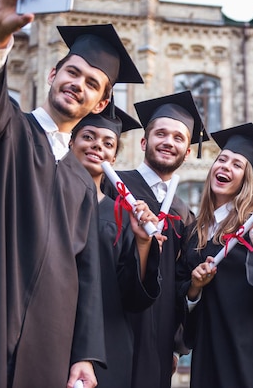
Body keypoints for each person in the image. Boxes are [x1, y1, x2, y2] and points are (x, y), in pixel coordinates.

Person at [0, 0, 144, 388]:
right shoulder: (7, 132)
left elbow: (87, 275)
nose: (76, 84)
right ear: (52, 73)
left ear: (100, 103)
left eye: (90, 83)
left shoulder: (83, 184)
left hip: (50, 338)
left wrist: (84, 354)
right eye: (72, 72)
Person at [175, 122, 253, 388]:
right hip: (210, 350)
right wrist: (194, 287)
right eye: (221, 160)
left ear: (246, 179)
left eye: (237, 165)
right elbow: (182, 295)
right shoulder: (194, 232)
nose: (225, 167)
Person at [102, 90, 207, 388]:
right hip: (112, 320)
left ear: (188, 152)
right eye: (161, 133)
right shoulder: (114, 186)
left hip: (157, 338)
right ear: (144, 142)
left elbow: (180, 282)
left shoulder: (183, 214)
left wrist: (174, 344)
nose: (168, 142)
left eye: (178, 137)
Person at [70, 105, 164, 387]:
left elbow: (134, 296)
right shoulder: (45, 201)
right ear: (71, 142)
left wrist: (143, 242)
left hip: (107, 344)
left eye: (108, 143)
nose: (97, 145)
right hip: (51, 331)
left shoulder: (122, 215)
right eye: (88, 137)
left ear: (114, 156)